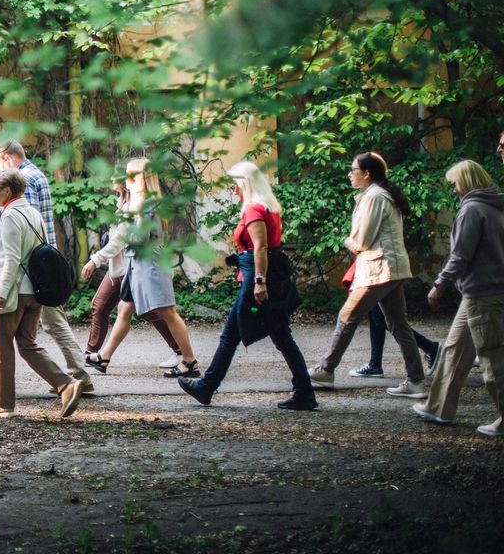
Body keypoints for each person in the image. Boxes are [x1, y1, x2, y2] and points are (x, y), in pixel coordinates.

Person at [0, 140, 93, 395]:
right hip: (41, 266)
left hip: (30, 272)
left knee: (24, 328)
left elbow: (21, 233)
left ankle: (75, 379)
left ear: (6, 159)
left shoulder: (22, 181)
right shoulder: (37, 174)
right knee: (22, 335)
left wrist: (3, 275)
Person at [178, 161, 315, 410]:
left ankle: (207, 386)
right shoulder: (268, 207)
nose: (233, 190)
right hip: (267, 275)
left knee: (231, 335)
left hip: (258, 278)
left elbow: (260, 248)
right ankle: (304, 392)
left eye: (235, 185)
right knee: (282, 336)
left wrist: (259, 282)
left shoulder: (253, 209)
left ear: (245, 184)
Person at [309, 152, 428, 397]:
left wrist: (347, 241)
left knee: (347, 315)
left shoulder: (374, 197)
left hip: (379, 269)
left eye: (353, 170)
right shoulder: (380, 195)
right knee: (398, 324)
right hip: (389, 267)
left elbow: (362, 240)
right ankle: (416, 380)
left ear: (367, 174)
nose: (349, 174)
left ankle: (326, 369)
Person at [0, 168, 87, 419]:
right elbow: (36, 248)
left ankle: (3, 403)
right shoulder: (33, 213)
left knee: (0, 345)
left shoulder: (11, 215)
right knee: (27, 344)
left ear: (7, 191)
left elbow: (13, 258)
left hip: (16, 290)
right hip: (35, 290)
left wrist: (0, 292)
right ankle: (67, 384)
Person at [411, 160, 504, 437]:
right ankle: (438, 407)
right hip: (482, 291)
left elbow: (460, 256)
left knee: (492, 357)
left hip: (482, 293)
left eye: (454, 184)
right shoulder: (495, 206)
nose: (453, 190)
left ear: (466, 181)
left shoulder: (472, 211)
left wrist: (439, 284)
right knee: (453, 349)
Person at [87, 158, 199, 378]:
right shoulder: (139, 203)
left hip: (151, 263)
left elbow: (140, 237)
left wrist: (119, 233)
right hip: (137, 262)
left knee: (167, 312)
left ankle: (189, 360)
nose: (125, 180)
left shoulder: (147, 204)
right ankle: (105, 356)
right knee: (124, 309)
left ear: (141, 179)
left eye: (130, 176)